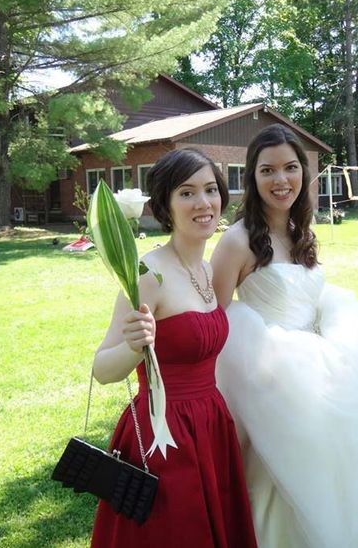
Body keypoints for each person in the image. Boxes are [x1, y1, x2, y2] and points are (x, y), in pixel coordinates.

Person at [211, 124, 358, 548]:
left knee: (355, 453)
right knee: (289, 476)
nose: (280, 180)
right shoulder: (237, 241)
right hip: (271, 378)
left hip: (321, 363)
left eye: (289, 168)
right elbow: (215, 320)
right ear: (252, 176)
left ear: (303, 171)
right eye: (267, 170)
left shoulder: (301, 230)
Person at [90, 148, 257, 548]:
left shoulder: (207, 270)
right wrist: (134, 347)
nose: (203, 203)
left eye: (210, 190)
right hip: (163, 432)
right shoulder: (147, 274)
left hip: (211, 425)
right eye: (186, 193)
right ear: (165, 204)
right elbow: (102, 369)